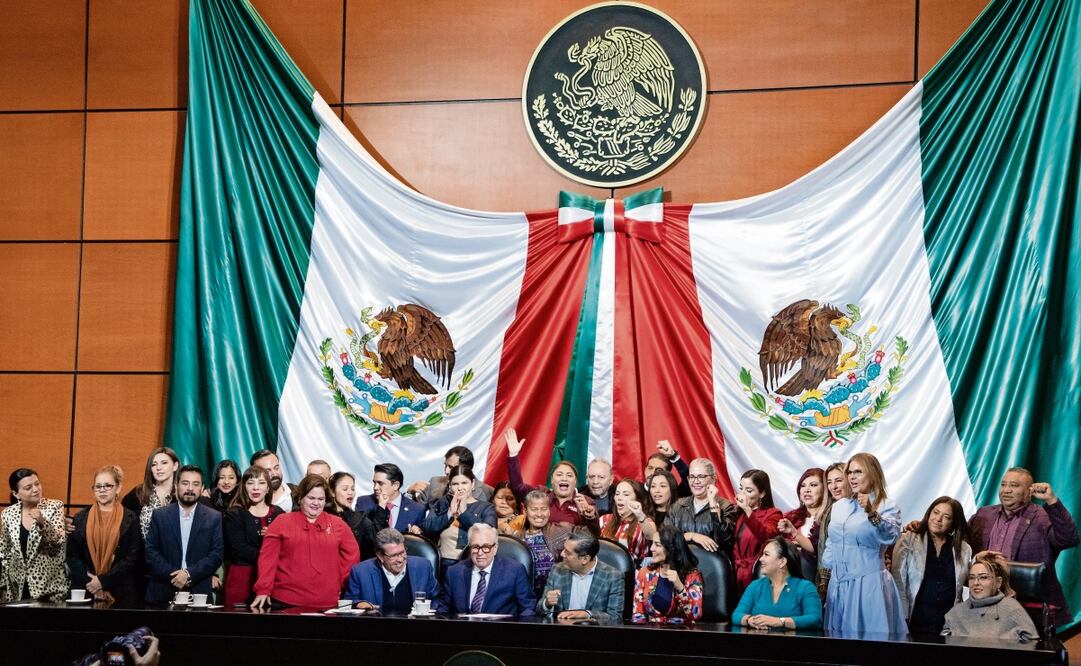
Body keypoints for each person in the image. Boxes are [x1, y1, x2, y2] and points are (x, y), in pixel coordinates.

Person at [967, 467, 1078, 625]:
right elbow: (960, 543)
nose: (1006, 490)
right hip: (985, 602)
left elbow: (1070, 539)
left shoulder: (1043, 516)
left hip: (1028, 609)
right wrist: (922, 528)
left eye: (1014, 485)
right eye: (1003, 484)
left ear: (1029, 491)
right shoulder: (983, 515)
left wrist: (1051, 500)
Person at [821, 453, 906, 637]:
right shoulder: (839, 506)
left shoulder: (886, 506)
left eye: (858, 472)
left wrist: (871, 511)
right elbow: (831, 543)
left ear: (873, 473)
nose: (851, 477)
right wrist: (824, 580)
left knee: (870, 643)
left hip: (869, 584)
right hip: (838, 585)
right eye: (849, 472)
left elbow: (891, 536)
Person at [252, 474, 360, 610]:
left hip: (327, 604)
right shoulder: (281, 521)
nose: (316, 503)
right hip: (285, 602)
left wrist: (342, 583)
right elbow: (268, 559)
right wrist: (263, 589)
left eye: (321, 499)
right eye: (311, 498)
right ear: (301, 498)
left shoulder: (338, 524)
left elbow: (352, 555)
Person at [144, 466, 224, 606]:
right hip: (162, 590)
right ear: (176, 486)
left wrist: (188, 574)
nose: (190, 488)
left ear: (202, 488)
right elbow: (151, 551)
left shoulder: (214, 517)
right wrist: (175, 575)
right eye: (185, 483)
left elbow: (216, 554)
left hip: (199, 593)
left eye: (195, 484)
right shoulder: (159, 515)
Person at [892, 496, 971, 635]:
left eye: (946, 517)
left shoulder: (964, 549)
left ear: (953, 523)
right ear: (929, 513)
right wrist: (902, 618)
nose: (938, 519)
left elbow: (965, 584)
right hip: (914, 619)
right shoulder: (908, 539)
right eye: (935, 512)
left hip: (949, 625)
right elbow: (899, 583)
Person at [67, 465, 142, 607]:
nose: (102, 490)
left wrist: (103, 581)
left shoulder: (130, 517)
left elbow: (131, 557)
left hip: (120, 590)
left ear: (118, 488)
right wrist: (92, 582)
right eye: (98, 486)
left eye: (108, 486)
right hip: (86, 589)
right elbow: (72, 556)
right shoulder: (80, 517)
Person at [503, 427, 597, 526]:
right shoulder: (541, 494)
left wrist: (590, 516)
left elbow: (595, 534)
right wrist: (513, 455)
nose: (564, 478)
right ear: (552, 480)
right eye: (559, 474)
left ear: (575, 481)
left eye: (569, 475)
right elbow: (518, 488)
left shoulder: (585, 502)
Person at [1, 469, 68, 602]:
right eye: (28, 487)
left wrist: (42, 521)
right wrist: (3, 585)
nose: (36, 489)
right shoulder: (7, 513)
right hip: (17, 587)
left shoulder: (54, 506)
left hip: (49, 587)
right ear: (16, 494)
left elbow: (58, 540)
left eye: (37, 484)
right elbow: (4, 550)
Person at [442, 523, 535, 616]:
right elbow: (443, 610)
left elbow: (528, 608)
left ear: (495, 549)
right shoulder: (454, 572)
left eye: (486, 547)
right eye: (475, 547)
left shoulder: (514, 570)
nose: (480, 553)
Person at [222, 466, 284, 607]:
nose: (256, 488)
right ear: (244, 487)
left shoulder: (279, 514)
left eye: (261, 483)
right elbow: (239, 549)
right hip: (242, 577)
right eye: (250, 483)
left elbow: (286, 548)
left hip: (273, 579)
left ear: (268, 488)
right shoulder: (235, 514)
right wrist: (269, 556)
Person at [941, 553, 1038, 642]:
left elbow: (1032, 646)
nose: (976, 583)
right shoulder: (956, 613)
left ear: (998, 582)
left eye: (983, 577)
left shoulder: (1012, 608)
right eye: (971, 578)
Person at [346, 528, 445, 614]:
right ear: (380, 556)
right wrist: (358, 604)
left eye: (402, 552)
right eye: (394, 556)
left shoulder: (423, 567)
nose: (400, 559)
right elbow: (349, 602)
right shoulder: (361, 572)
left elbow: (437, 600)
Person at [733, 537, 822, 630]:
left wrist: (780, 621)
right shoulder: (755, 586)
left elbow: (815, 619)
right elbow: (736, 615)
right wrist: (749, 620)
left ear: (782, 562)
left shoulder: (805, 587)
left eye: (766, 555)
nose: (760, 559)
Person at [538, 527, 625, 621]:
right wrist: (547, 603)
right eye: (564, 549)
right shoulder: (557, 570)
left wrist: (588, 614)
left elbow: (615, 618)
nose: (562, 554)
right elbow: (539, 611)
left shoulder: (613, 577)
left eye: (568, 552)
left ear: (585, 559)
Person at [421, 465, 497, 570]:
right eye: (455, 484)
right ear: (450, 486)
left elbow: (488, 534)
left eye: (464, 483)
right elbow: (426, 527)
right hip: (441, 562)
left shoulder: (486, 507)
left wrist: (464, 513)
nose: (460, 488)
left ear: (473, 484)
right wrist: (449, 514)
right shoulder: (443, 502)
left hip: (471, 563)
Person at [632, 525, 703, 624]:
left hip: (681, 633)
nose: (652, 548)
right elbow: (638, 615)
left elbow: (695, 615)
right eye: (652, 544)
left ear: (671, 548)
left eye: (657, 544)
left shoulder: (692, 576)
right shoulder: (644, 573)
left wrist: (680, 587)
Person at [666, 458, 736, 557]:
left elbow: (724, 541)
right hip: (682, 567)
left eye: (701, 476)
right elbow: (665, 539)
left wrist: (713, 505)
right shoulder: (677, 506)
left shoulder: (726, 507)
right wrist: (691, 536)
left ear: (713, 479)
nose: (696, 481)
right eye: (692, 477)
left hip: (713, 568)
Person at [510, 490, 571, 598]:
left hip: (555, 593)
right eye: (534, 509)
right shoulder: (516, 539)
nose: (539, 514)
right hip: (524, 596)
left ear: (549, 511)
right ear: (525, 510)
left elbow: (589, 540)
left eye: (544, 509)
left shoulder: (563, 530)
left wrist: (590, 517)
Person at [733, 469, 782, 592]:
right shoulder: (739, 514)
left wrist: (748, 510)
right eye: (741, 488)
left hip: (757, 574)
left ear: (762, 493)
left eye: (748, 490)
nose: (742, 494)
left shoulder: (773, 514)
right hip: (735, 573)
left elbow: (766, 537)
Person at [122, 447, 179, 539]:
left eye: (164, 463)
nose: (158, 468)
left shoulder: (182, 496)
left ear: (175, 466)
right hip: (142, 552)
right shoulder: (138, 493)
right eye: (153, 464)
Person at [599, 479, 657, 565]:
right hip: (605, 570)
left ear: (637, 499)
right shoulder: (604, 519)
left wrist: (640, 515)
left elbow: (651, 536)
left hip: (633, 572)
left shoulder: (645, 521)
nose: (619, 497)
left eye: (626, 494)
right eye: (617, 494)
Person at [355, 463, 426, 533]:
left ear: (395, 485)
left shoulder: (417, 510)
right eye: (374, 483)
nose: (375, 487)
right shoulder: (363, 503)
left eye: (380, 483)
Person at [407, 446, 494, 503]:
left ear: (466, 469)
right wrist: (409, 492)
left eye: (451, 467)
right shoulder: (434, 483)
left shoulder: (488, 492)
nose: (446, 471)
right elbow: (415, 511)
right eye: (445, 465)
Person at [777, 468, 825, 571]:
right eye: (803, 486)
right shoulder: (789, 517)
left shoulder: (830, 518)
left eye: (813, 485)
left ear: (825, 489)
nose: (807, 489)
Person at [816, 462, 850, 598]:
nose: (833, 487)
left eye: (838, 481)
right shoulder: (829, 510)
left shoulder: (860, 509)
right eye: (829, 482)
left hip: (849, 577)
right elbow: (825, 548)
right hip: (829, 578)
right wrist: (824, 580)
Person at [325, 471, 377, 560]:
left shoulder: (362, 522)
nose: (350, 493)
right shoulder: (322, 517)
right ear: (332, 492)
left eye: (352, 489)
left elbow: (371, 556)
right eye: (345, 489)